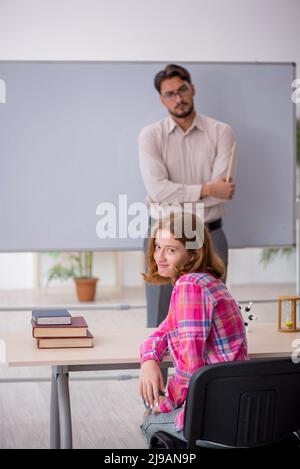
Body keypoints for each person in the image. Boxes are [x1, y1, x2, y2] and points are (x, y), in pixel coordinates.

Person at [139, 63, 236, 327]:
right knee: (160, 321)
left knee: (210, 319)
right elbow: (157, 189)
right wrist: (207, 189)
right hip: (164, 238)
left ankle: (205, 372)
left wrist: (177, 195)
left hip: (210, 236)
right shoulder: (151, 136)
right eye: (170, 94)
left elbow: (222, 193)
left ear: (192, 89)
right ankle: (158, 370)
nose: (178, 98)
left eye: (182, 90)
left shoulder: (221, 132)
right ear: (162, 99)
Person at [139, 211, 248, 444]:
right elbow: (163, 331)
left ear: (193, 254)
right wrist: (149, 360)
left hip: (214, 411)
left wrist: (165, 404)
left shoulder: (190, 287)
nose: (159, 257)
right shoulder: (206, 281)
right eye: (158, 246)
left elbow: (192, 366)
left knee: (148, 421)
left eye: (171, 249)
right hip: (233, 401)